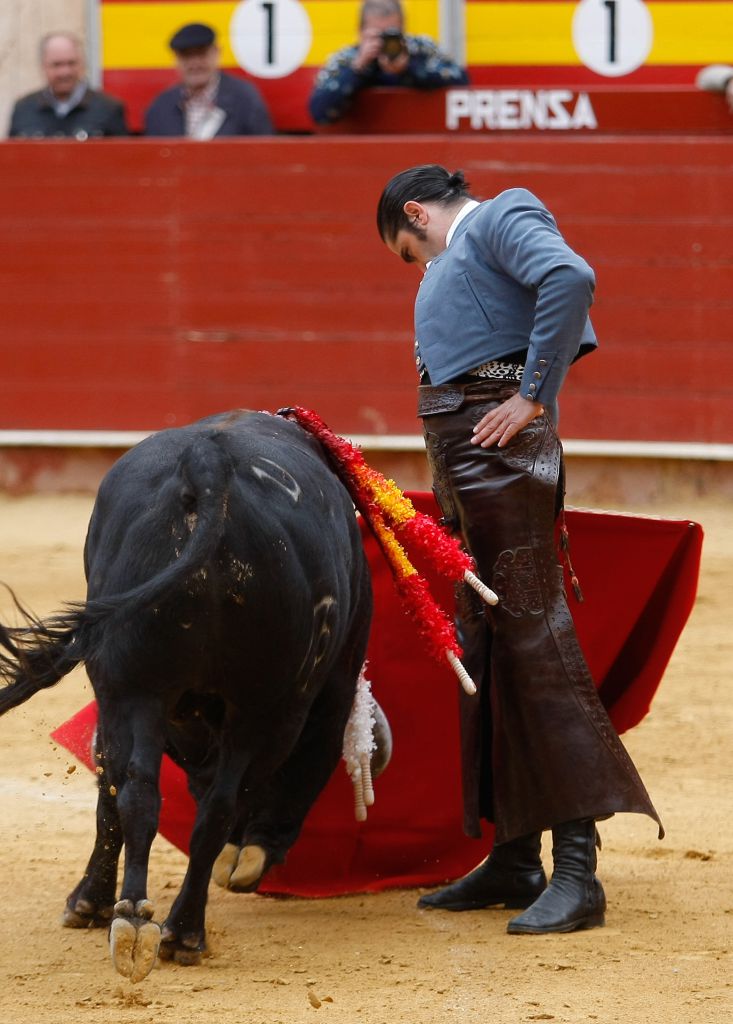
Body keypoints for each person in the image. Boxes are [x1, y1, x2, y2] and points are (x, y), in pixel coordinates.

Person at [376, 165, 663, 935]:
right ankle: (513, 855)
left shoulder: (501, 215)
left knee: (531, 641)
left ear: (418, 213)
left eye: (413, 250)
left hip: (502, 457)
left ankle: (577, 867)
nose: (423, 266)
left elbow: (570, 276)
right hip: (473, 462)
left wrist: (533, 391)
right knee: (491, 645)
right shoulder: (479, 241)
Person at [309, 0, 468, 125]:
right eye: (377, 35)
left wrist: (410, 69)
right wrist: (357, 69)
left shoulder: (420, 49)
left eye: (391, 35)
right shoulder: (346, 59)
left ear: (403, 28)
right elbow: (319, 112)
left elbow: (461, 82)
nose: (385, 43)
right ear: (361, 32)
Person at [145, 23, 273, 138]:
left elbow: (264, 154)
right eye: (186, 56)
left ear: (217, 52)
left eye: (201, 54)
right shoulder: (160, 107)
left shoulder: (244, 99)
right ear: (176, 60)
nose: (195, 64)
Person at [8, 32, 128, 139]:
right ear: (43, 66)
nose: (65, 72)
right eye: (57, 65)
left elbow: (123, 159)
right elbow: (11, 159)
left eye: (71, 63)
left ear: (82, 64)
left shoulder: (109, 109)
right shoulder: (23, 109)